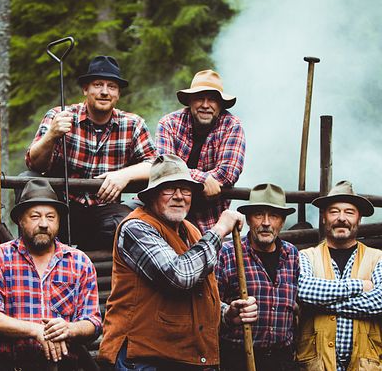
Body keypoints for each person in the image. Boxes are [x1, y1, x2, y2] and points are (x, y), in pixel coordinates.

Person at [98, 154, 258, 370]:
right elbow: (179, 275)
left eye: (185, 190)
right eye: (169, 189)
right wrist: (219, 230)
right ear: (152, 194)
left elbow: (198, 291)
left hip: (181, 357)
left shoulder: (191, 230)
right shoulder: (136, 227)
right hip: (142, 358)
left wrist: (226, 313)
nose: (179, 196)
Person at [25, 55, 158, 249]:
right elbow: (34, 163)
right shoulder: (59, 116)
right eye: (97, 85)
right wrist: (51, 135)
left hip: (104, 209)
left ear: (118, 94)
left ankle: (91, 264)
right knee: (26, 178)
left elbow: (155, 164)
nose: (104, 92)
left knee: (126, 225)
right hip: (62, 206)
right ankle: (33, 253)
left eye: (111, 86)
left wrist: (124, 175)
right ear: (85, 89)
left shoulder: (133, 124)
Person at [0, 178, 102, 371]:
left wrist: (70, 329)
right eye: (35, 216)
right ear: (20, 220)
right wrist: (36, 330)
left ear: (58, 220)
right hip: (11, 366)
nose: (44, 224)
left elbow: (93, 322)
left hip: (65, 366)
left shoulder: (79, 262)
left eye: (50, 217)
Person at [296, 181, 382, 371]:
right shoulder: (306, 257)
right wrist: (358, 286)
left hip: (366, 364)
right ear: (324, 217)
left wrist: (322, 304)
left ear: (359, 219)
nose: (341, 218)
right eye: (334, 211)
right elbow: (303, 291)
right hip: (316, 364)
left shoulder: (378, 258)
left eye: (349, 212)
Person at [215, 183, 300, 371]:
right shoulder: (228, 253)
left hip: (282, 360)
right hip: (238, 359)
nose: (266, 222)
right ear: (249, 219)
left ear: (283, 221)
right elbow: (210, 305)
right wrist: (228, 311)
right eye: (259, 214)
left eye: (274, 216)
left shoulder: (291, 254)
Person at [155, 69, 245, 232]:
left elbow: (227, 174)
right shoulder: (169, 123)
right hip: (165, 209)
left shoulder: (232, 125)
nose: (205, 105)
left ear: (220, 105)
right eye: (199, 98)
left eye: (212, 100)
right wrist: (203, 179)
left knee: (204, 252)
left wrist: (182, 176)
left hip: (208, 217)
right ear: (190, 101)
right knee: (129, 221)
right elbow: (164, 168)